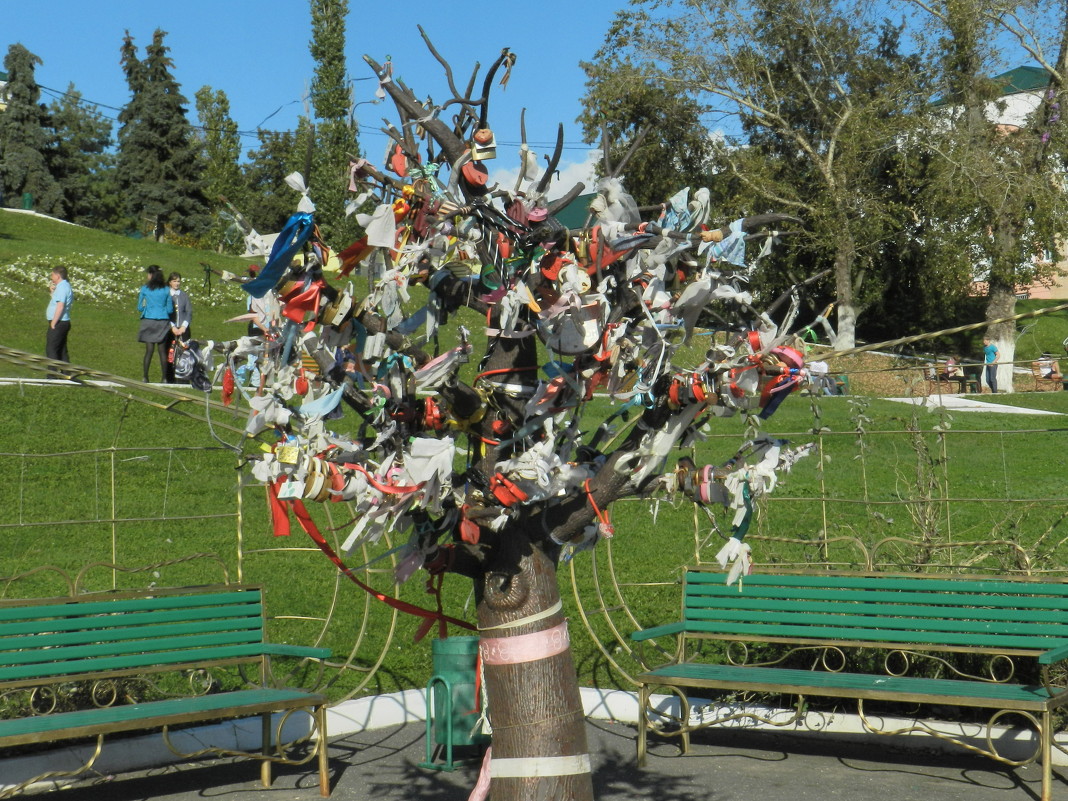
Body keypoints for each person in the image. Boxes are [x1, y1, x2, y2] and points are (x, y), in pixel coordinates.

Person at [137, 265, 175, 383]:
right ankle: (164, 378)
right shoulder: (165, 289)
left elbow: (139, 307)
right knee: (162, 351)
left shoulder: (145, 289)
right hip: (162, 321)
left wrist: (147, 308)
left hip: (148, 320)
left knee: (149, 351)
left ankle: (145, 377)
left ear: (151, 275)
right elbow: (169, 309)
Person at [45, 266, 73, 375]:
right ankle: (66, 373)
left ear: (57, 275)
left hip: (59, 322)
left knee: (51, 348)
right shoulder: (62, 286)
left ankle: (52, 374)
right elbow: (57, 301)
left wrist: (53, 322)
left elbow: (60, 306)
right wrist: (52, 292)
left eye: (52, 275)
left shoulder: (62, 287)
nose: (51, 277)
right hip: (61, 322)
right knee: (61, 349)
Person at [166, 272, 193, 382]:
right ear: (170, 282)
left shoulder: (184, 295)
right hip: (171, 329)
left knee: (184, 353)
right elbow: (165, 312)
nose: (177, 283)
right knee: (170, 353)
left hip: (183, 329)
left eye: (178, 281)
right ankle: (169, 377)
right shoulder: (167, 295)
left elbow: (188, 311)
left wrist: (183, 326)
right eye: (174, 281)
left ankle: (183, 377)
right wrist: (172, 326)